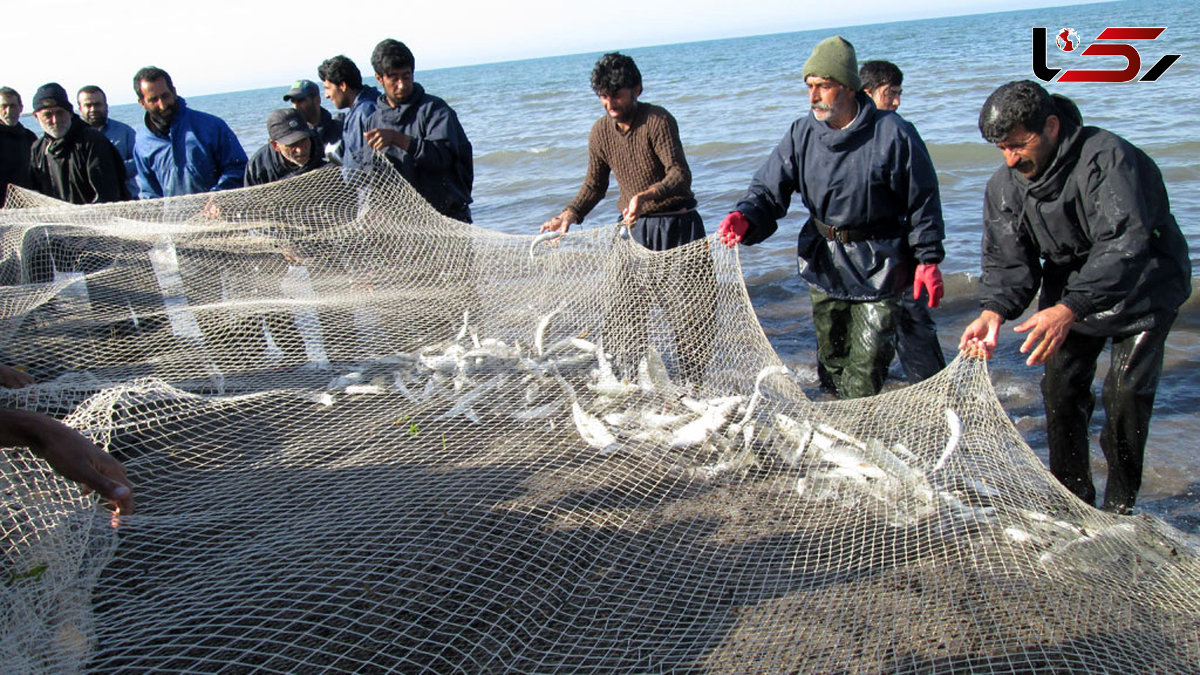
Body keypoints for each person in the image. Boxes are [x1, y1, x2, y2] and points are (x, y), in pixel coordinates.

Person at [959, 80, 1191, 514]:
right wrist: (994, 311)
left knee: (1125, 398)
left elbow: (1125, 245)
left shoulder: (1108, 158)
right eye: (1001, 149)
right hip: (1071, 285)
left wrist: (1068, 309)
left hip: (1145, 281)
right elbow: (1010, 260)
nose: (1011, 158)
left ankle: (1120, 506)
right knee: (1060, 390)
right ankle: (1073, 499)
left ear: (1050, 126)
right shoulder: (1005, 185)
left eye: (1018, 145)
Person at [717, 36, 945, 399]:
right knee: (832, 369)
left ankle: (877, 429)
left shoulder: (893, 133)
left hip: (881, 267)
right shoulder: (801, 133)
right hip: (824, 263)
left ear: (850, 87)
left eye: (824, 86)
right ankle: (843, 436)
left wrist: (928, 260)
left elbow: (923, 202)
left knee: (863, 374)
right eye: (810, 87)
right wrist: (744, 217)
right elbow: (768, 190)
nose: (813, 97)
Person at [540, 52, 714, 383]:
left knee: (689, 316)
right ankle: (631, 382)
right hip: (633, 231)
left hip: (677, 226)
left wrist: (647, 195)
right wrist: (570, 214)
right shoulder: (600, 133)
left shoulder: (658, 121)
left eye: (616, 94)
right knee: (625, 313)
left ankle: (693, 386)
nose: (610, 103)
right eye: (603, 97)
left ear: (637, 89)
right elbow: (594, 184)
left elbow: (680, 174)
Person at [858, 59, 946, 383]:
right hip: (857, 256)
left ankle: (936, 394)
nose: (896, 102)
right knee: (865, 337)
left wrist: (929, 258)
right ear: (865, 94)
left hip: (899, 249)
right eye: (888, 93)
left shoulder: (901, 132)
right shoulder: (839, 135)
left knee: (914, 327)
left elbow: (923, 197)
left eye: (898, 94)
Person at [364, 39, 474, 222]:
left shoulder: (436, 111)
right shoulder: (372, 122)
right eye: (394, 78)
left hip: (447, 217)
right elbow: (371, 174)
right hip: (401, 222)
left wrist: (398, 139)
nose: (401, 84)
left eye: (406, 76)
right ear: (379, 78)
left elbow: (444, 158)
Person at [132, 66, 248, 199]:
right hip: (173, 218)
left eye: (165, 96)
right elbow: (150, 193)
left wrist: (218, 197)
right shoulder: (142, 143)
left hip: (219, 214)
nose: (162, 105)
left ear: (174, 92)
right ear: (142, 103)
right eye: (153, 100)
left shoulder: (212, 126)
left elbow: (239, 167)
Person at [28, 82, 130, 204]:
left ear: (70, 112)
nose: (55, 120)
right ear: (36, 117)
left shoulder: (92, 141)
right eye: (47, 115)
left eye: (60, 112)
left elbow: (108, 194)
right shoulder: (38, 149)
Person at [317, 55, 380, 178]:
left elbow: (368, 165)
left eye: (328, 88)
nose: (326, 95)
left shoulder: (365, 112)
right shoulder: (358, 110)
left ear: (342, 86)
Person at [77, 85, 139, 199]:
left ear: (106, 106)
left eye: (97, 104)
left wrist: (112, 171)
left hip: (127, 201)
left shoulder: (125, 132)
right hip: (90, 205)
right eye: (88, 105)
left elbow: (139, 162)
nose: (93, 109)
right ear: (80, 109)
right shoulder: (75, 138)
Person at [244, 108, 326, 187]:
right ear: (275, 145)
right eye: (292, 144)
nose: (300, 150)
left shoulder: (326, 149)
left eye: (304, 140)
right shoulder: (258, 167)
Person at [283, 78, 341, 159]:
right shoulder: (290, 136)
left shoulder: (340, 129)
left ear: (317, 100)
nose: (296, 106)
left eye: (300, 100)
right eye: (293, 101)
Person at [0, 86, 38, 207]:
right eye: (3, 107)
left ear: (21, 108)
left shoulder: (29, 137)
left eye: (13, 106)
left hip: (26, 205)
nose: (8, 111)